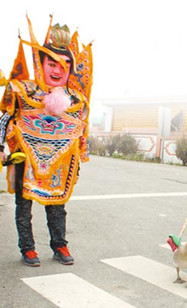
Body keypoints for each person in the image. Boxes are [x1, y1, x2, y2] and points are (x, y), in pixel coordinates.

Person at [0, 20, 93, 267]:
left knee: (57, 205)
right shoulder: (23, 90)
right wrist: (1, 147)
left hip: (60, 161)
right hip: (24, 155)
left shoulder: (75, 97)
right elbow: (5, 116)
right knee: (23, 205)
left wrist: (80, 156)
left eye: (64, 65)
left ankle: (59, 244)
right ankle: (27, 248)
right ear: (41, 64)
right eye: (51, 63)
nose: (57, 69)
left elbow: (81, 126)